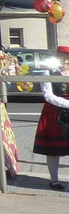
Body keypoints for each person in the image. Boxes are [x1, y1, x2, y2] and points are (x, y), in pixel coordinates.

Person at [32, 46, 69, 191]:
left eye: (67, 57)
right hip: (54, 111)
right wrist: (66, 103)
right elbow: (48, 95)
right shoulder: (47, 71)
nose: (65, 60)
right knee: (53, 148)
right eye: (62, 57)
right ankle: (54, 179)